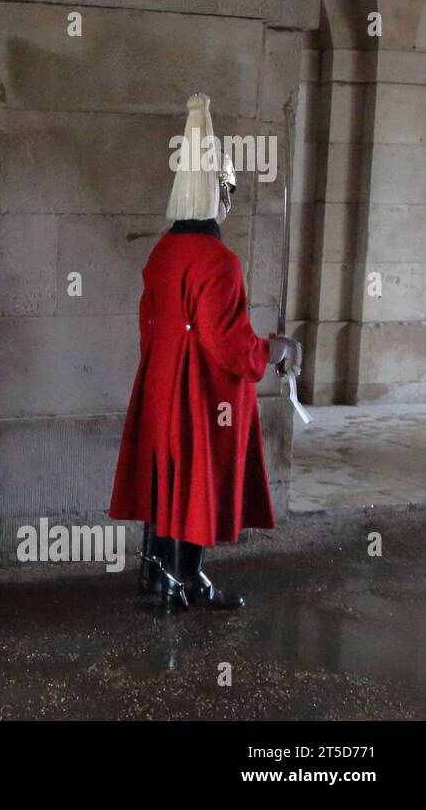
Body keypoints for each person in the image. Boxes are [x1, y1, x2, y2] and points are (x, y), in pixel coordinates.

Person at [110, 93, 300, 611]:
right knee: (195, 482)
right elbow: (231, 345)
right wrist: (275, 350)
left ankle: (157, 574)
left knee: (164, 477)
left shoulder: (163, 251)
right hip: (202, 393)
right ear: (212, 193)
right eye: (225, 189)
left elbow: (150, 323)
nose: (228, 200)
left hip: (162, 384)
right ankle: (187, 580)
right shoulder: (220, 260)